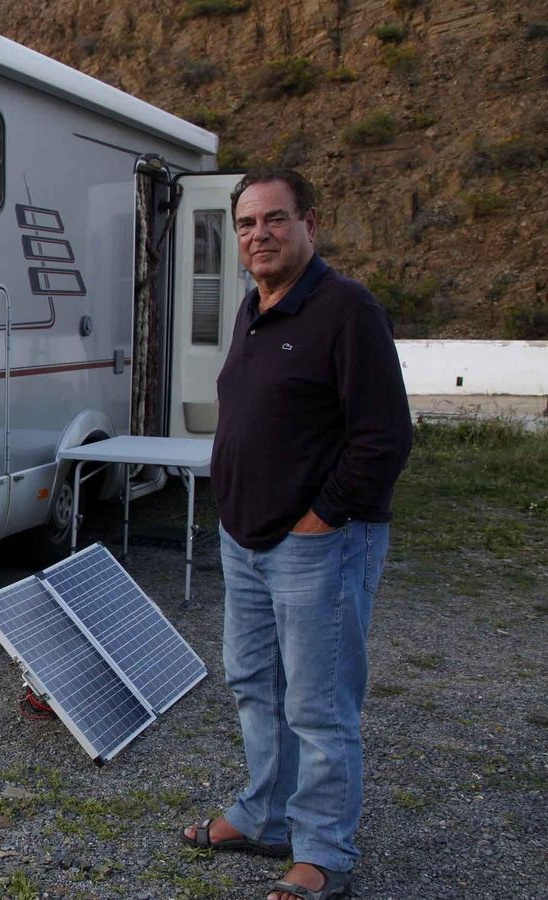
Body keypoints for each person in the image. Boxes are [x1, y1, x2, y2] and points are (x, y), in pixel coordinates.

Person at [179, 169, 412, 900]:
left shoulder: (347, 310)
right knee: (255, 684)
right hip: (245, 540)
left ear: (312, 222)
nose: (258, 236)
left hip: (318, 544)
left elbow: (383, 437)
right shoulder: (253, 307)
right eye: (246, 225)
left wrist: (321, 518)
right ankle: (266, 815)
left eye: (274, 220)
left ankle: (323, 853)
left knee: (318, 703)